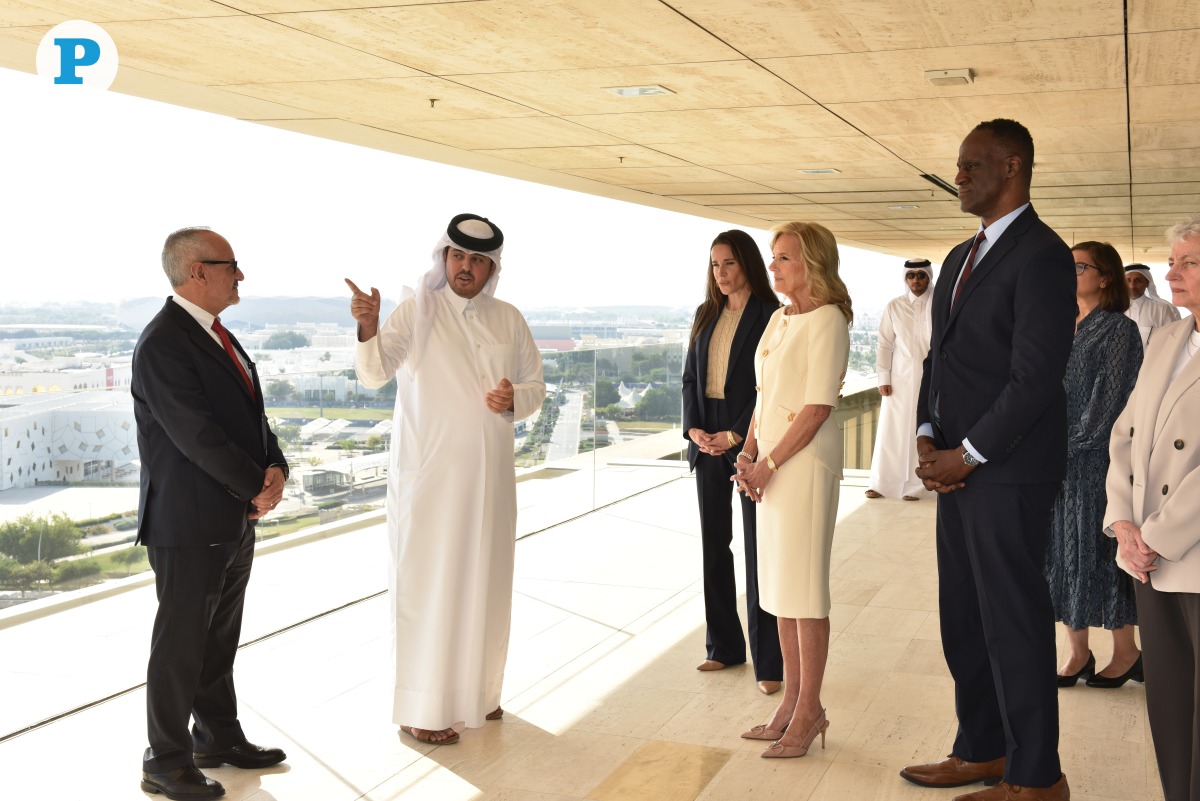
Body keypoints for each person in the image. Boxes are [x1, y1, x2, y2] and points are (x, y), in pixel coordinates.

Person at [901, 119, 1075, 801]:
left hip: (1007, 471)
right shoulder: (957, 256)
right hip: (955, 468)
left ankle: (1038, 778)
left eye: (972, 164)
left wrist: (967, 453)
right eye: (959, 164)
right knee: (965, 618)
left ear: (1012, 166)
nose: (959, 175)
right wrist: (926, 433)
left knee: (1013, 623)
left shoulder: (1043, 255)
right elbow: (938, 359)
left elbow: (1035, 378)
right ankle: (983, 749)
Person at [346, 213, 545, 746]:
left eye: (478, 260)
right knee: (431, 590)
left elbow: (535, 385)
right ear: (444, 258)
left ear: (491, 268)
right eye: (458, 256)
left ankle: (479, 694)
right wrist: (368, 326)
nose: (466, 267)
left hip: (491, 481)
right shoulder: (418, 311)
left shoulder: (508, 318)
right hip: (431, 482)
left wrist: (515, 398)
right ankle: (424, 708)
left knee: (488, 583)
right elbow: (374, 373)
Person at [132, 227, 290, 801]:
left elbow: (250, 417)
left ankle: (217, 738)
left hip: (231, 518)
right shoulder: (163, 343)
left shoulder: (216, 334)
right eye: (231, 264)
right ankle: (165, 761)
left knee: (218, 639)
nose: (240, 274)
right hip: (190, 522)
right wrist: (255, 488)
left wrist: (276, 467)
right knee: (180, 646)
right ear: (198, 271)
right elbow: (196, 435)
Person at [732, 221, 851, 759]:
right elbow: (764, 396)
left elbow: (817, 406)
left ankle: (810, 711)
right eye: (773, 256)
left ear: (812, 263)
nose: (773, 266)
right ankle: (789, 705)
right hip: (773, 467)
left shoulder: (829, 319)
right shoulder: (779, 318)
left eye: (784, 257)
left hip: (804, 468)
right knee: (780, 588)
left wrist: (770, 463)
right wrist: (749, 452)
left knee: (805, 591)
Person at [1105, 214, 1200, 801]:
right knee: (1169, 707)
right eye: (1173, 261)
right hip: (1145, 557)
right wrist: (1122, 523)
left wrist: (1156, 537)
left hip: (1183, 552)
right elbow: (1126, 432)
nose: (1172, 273)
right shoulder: (1167, 338)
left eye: (1189, 262)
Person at [682, 229, 782, 695]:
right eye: (714, 265)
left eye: (729, 263)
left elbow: (770, 386)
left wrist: (738, 434)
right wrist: (693, 429)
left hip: (749, 436)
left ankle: (769, 662)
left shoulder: (771, 315)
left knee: (758, 547)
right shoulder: (705, 314)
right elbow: (690, 378)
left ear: (747, 264)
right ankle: (723, 646)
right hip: (707, 437)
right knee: (713, 544)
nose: (720, 273)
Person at [1043, 241, 1142, 689]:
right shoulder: (1059, 323)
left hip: (1096, 462)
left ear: (1105, 278)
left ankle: (1127, 654)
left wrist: (1062, 447)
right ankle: (1078, 652)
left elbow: (1110, 406)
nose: (1070, 273)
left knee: (1101, 555)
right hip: (1053, 461)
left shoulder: (1119, 330)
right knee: (1061, 554)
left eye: (1079, 267)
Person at [866, 258, 934, 501]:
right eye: (911, 275)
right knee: (892, 432)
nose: (916, 280)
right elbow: (884, 344)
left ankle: (919, 487)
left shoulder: (939, 304)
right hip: (899, 381)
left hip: (931, 379)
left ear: (928, 277)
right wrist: (883, 377)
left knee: (923, 432)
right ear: (905, 278)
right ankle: (882, 484)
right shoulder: (894, 306)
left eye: (921, 275)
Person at [1125, 262, 1180, 347]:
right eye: (1128, 280)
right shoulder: (1114, 309)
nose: (1132, 286)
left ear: (1147, 283)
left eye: (1138, 281)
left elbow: (1173, 341)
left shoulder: (1162, 309)